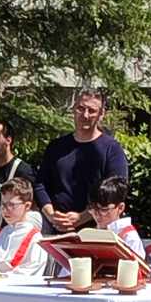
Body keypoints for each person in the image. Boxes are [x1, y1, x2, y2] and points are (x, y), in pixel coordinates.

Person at [35, 85, 129, 233]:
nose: (85, 115)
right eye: (80, 108)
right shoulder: (56, 147)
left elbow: (116, 191)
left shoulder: (112, 149)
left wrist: (82, 217)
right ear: (73, 109)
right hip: (55, 228)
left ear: (101, 114)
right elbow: (40, 185)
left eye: (92, 111)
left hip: (96, 230)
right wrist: (52, 215)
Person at [0, 175, 47, 279]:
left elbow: (30, 272)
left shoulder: (35, 239)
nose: (5, 209)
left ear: (27, 206)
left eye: (11, 205)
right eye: (3, 204)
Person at [90, 176, 147, 263]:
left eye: (104, 210)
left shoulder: (129, 237)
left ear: (120, 208)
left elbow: (138, 271)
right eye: (93, 208)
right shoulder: (90, 234)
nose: (97, 214)